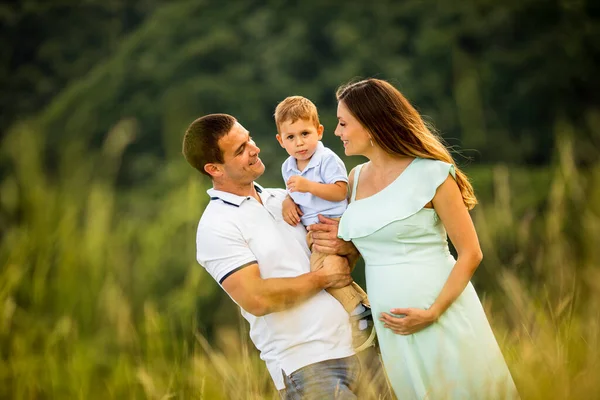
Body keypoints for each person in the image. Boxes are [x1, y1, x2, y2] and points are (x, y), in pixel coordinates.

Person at [309, 78, 519, 399]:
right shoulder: (354, 179)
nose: (337, 132)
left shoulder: (432, 173)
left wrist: (433, 311)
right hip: (393, 327)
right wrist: (337, 244)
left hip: (441, 315)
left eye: (342, 123)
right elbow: (376, 239)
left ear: (371, 125)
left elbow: (470, 253)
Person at [182, 113, 393, 399]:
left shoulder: (283, 197)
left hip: (363, 348)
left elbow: (339, 253)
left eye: (249, 139)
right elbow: (257, 298)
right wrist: (321, 278)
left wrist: (346, 248)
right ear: (214, 168)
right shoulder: (216, 226)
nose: (254, 149)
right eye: (240, 150)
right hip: (310, 367)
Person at [273, 96, 375, 351]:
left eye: (305, 133)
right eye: (291, 137)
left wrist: (309, 186)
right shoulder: (288, 167)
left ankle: (360, 313)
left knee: (324, 272)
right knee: (331, 271)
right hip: (313, 229)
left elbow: (340, 191)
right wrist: (288, 201)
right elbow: (294, 192)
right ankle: (365, 306)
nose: (299, 143)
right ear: (280, 141)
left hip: (334, 222)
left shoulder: (326, 159)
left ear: (319, 131)